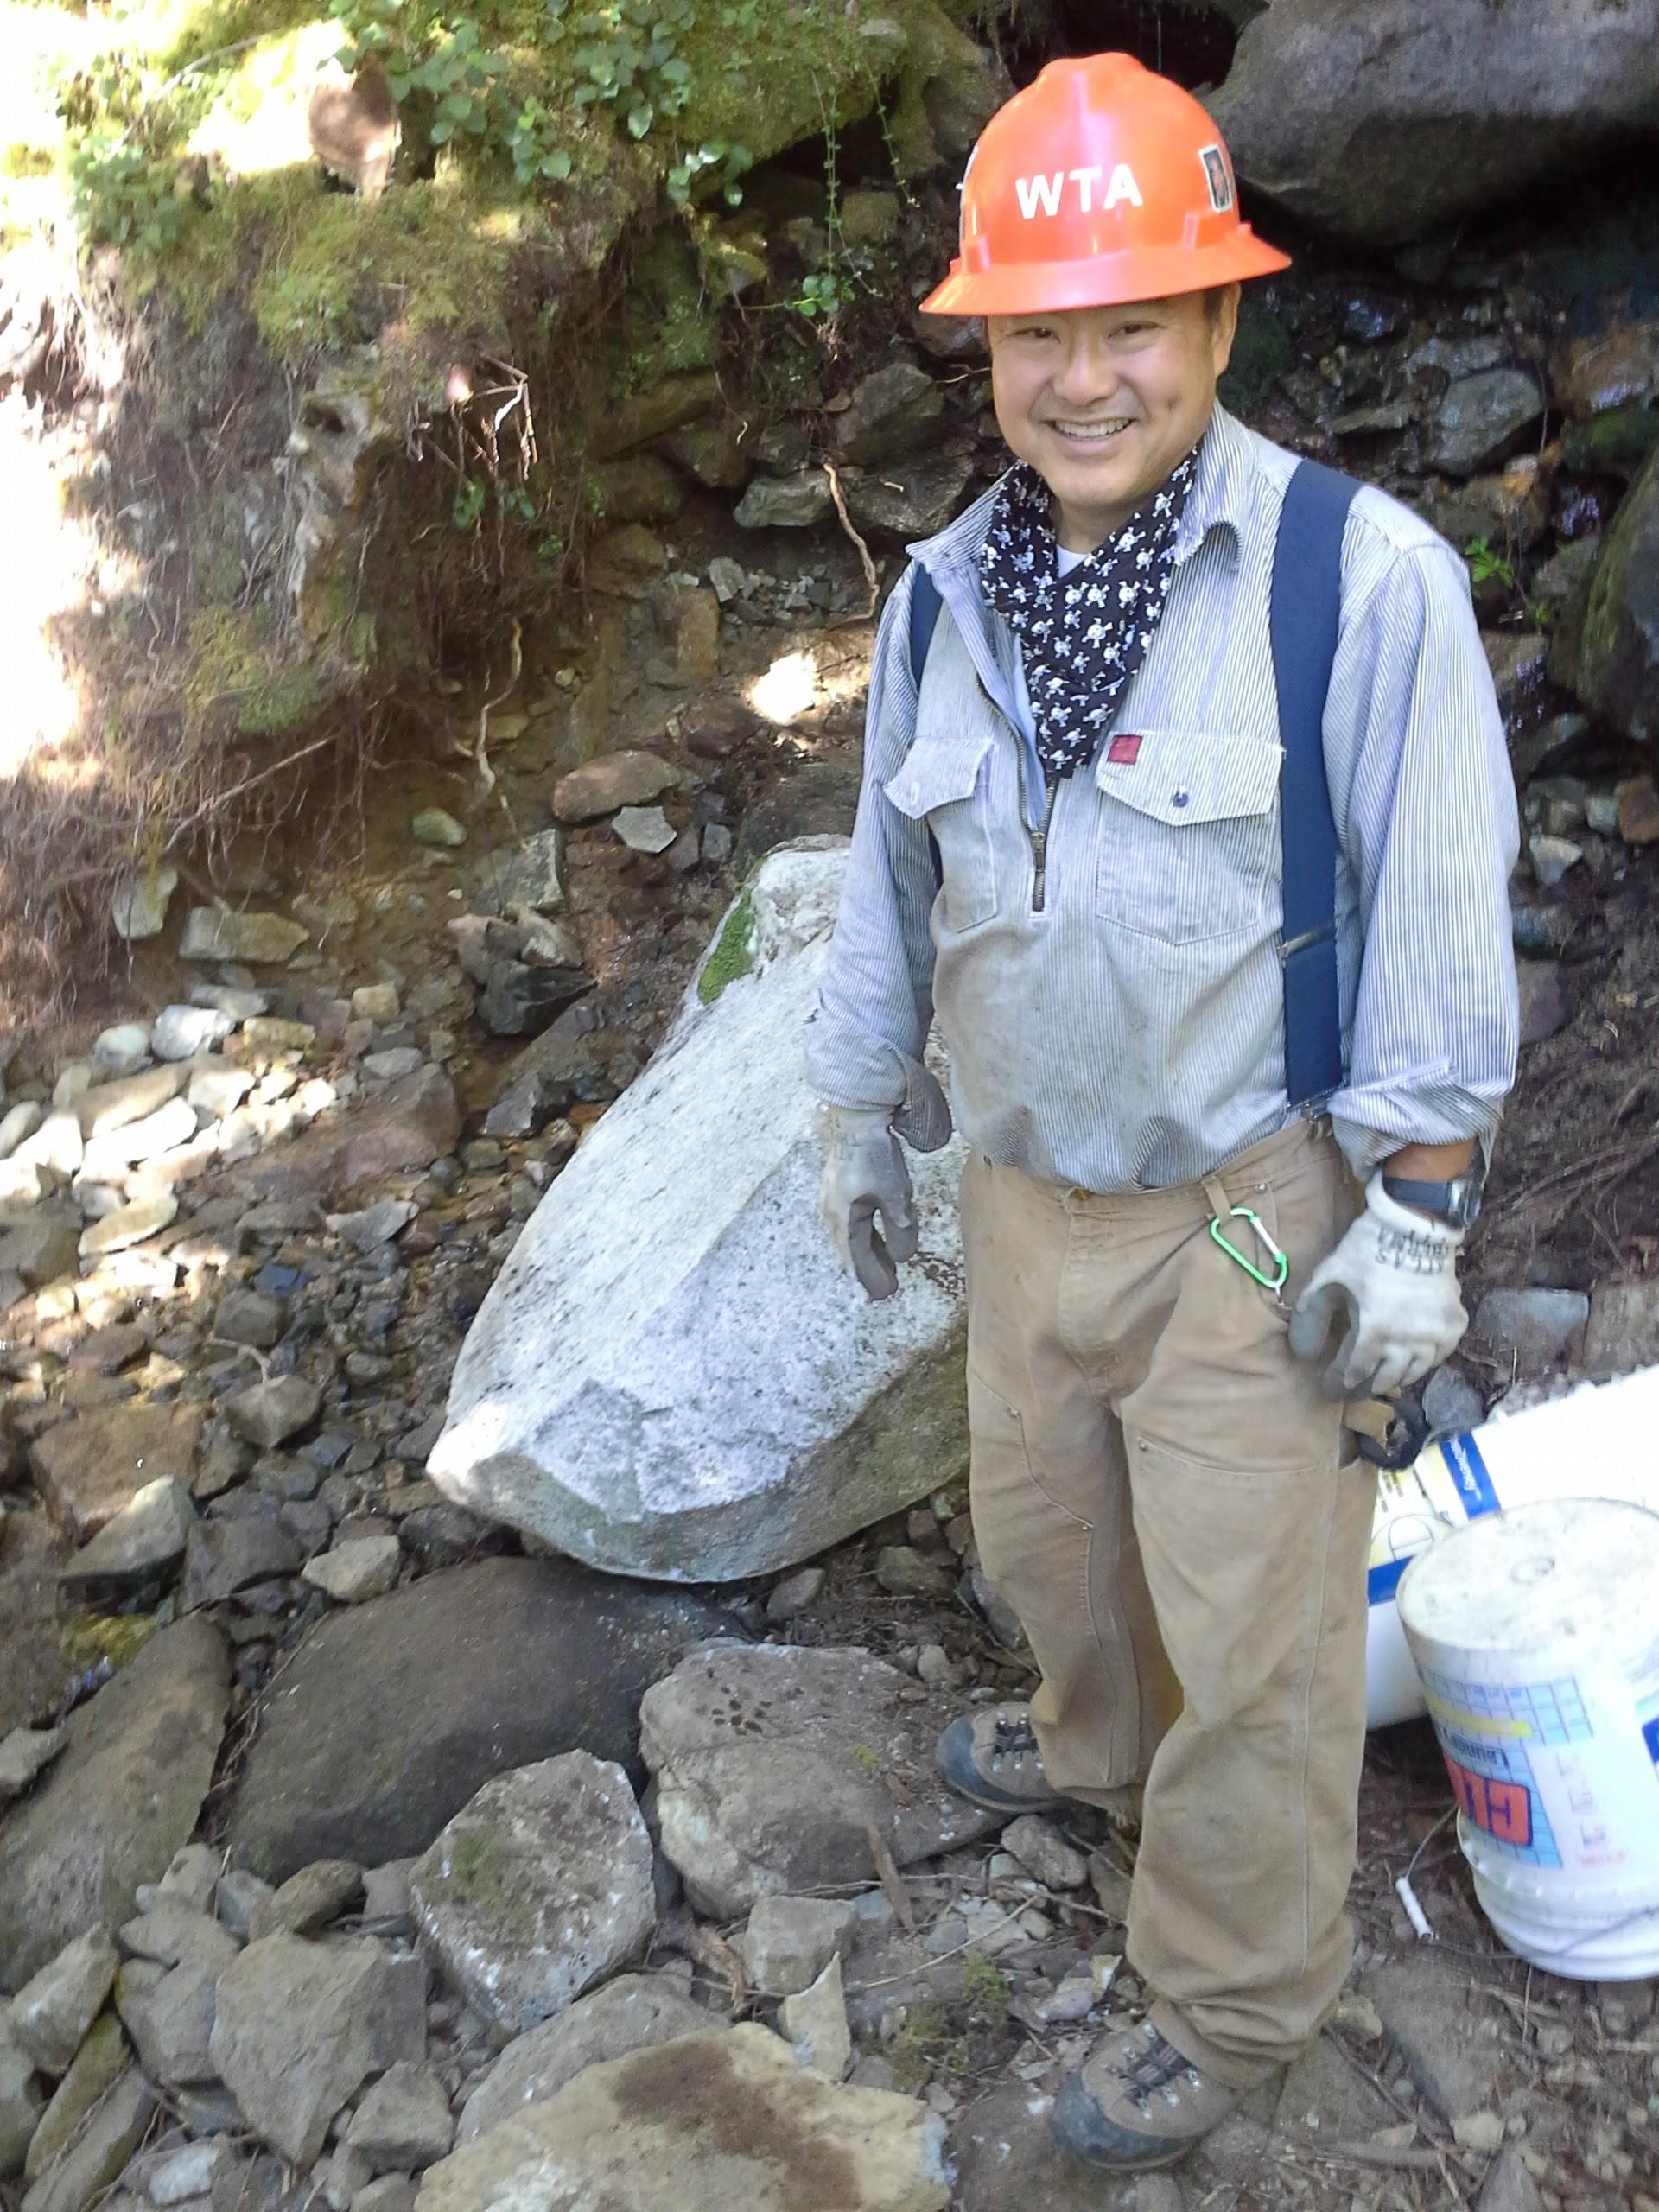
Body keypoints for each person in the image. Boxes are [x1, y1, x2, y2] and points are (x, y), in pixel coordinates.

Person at [804, 50, 1519, 2176]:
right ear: (989, 347)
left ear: (1219, 322)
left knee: (1261, 1627)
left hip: (1248, 1208)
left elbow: (1444, 916)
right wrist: (856, 1107)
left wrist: (1418, 1211)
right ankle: (1085, 1742)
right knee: (1048, 1547)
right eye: (1044, 331)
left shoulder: (1355, 581)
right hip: (1029, 1196)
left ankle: (1231, 1997)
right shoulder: (940, 595)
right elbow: (887, 878)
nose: (1085, 377)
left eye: (1135, 323)